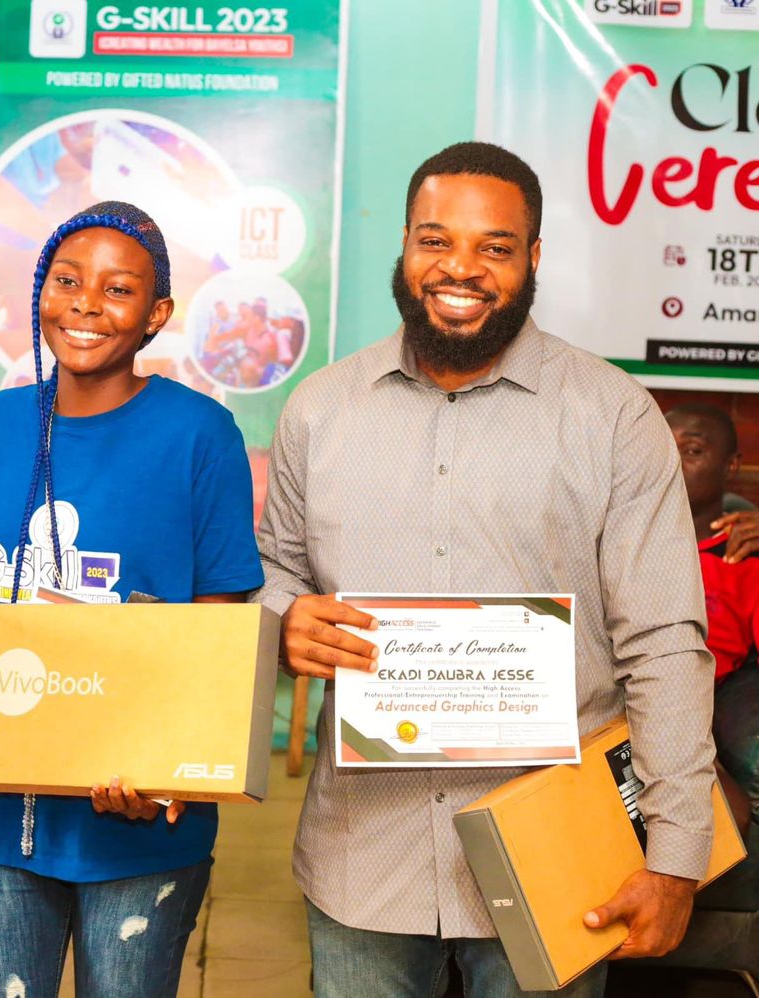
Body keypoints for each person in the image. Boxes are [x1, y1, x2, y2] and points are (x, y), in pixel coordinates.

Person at [257, 142, 715, 997]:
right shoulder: (320, 410)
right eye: (435, 240)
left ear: (534, 258)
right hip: (367, 858)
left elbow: (664, 642)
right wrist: (284, 621)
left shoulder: (613, 417)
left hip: (558, 855)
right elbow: (272, 574)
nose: (459, 268)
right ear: (403, 247)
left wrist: (677, 855)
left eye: (495, 247)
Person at [0, 201, 262, 996]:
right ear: (40, 291)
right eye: (68, 280)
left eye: (118, 290)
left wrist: (170, 763)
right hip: (0, 819)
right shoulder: (1, 423)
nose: (85, 303)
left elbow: (222, 616)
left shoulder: (199, 435)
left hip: (137, 824)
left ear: (156, 315)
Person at [666, 403, 759, 815]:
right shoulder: (616, 538)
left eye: (692, 452)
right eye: (662, 449)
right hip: (613, 703)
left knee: (729, 817)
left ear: (731, 465)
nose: (670, 463)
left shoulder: (745, 559)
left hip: (696, 712)